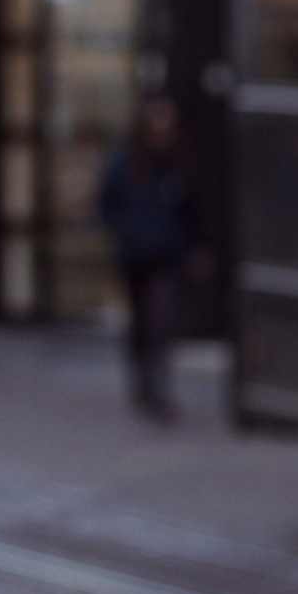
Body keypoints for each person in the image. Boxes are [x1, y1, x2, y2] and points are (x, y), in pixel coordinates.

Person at [99, 95, 199, 420]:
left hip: (166, 256)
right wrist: (125, 233)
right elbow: (106, 204)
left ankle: (157, 384)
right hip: (134, 255)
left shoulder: (177, 163)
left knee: (161, 320)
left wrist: (195, 245)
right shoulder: (126, 163)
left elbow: (192, 210)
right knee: (140, 323)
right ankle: (142, 382)